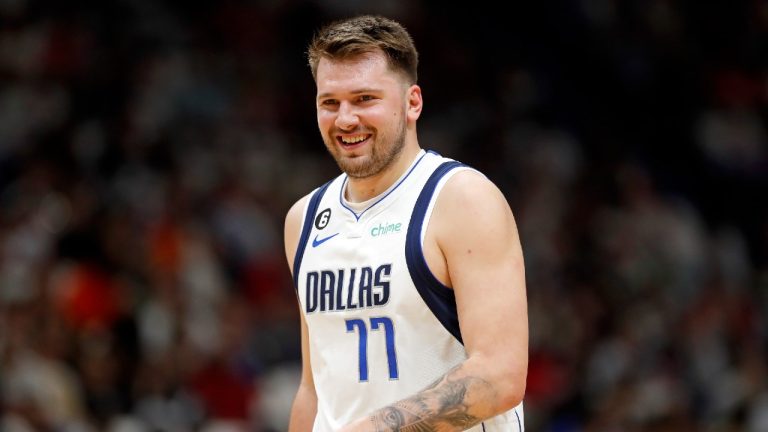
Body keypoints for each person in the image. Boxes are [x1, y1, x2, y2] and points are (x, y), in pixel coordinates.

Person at [283, 15, 528, 432]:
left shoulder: (460, 198)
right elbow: (314, 387)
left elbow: (499, 377)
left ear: (412, 102)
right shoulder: (304, 218)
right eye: (330, 102)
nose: (345, 119)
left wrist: (378, 427)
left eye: (364, 99)